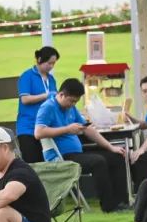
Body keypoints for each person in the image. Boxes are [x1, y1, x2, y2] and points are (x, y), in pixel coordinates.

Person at [35, 78, 129, 213]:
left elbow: (88, 129)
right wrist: (67, 129)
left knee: (116, 156)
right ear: (61, 94)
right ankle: (109, 206)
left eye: (76, 102)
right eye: (71, 101)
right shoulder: (48, 107)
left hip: (78, 153)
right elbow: (38, 132)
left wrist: (110, 147)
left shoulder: (71, 108)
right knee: (98, 162)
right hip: (62, 157)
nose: (73, 104)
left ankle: (121, 201)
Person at [16, 46, 60, 163]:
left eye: (53, 64)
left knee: (48, 162)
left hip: (46, 128)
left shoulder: (51, 79)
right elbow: (25, 99)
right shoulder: (27, 76)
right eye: (49, 63)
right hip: (28, 128)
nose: (51, 66)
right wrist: (46, 95)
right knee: (33, 163)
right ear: (39, 59)